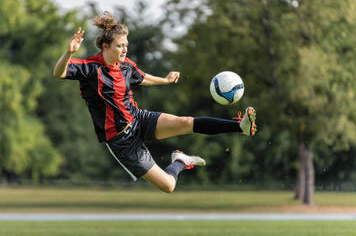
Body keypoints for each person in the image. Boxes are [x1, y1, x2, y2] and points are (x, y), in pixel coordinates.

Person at [53, 12, 257, 193]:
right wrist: (69, 52)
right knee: (169, 186)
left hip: (139, 119)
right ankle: (179, 161)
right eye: (120, 46)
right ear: (106, 46)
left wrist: (165, 80)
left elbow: (141, 77)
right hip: (121, 140)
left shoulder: (126, 66)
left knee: (186, 122)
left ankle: (240, 126)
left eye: (126, 45)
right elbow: (59, 72)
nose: (125, 49)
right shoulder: (90, 68)